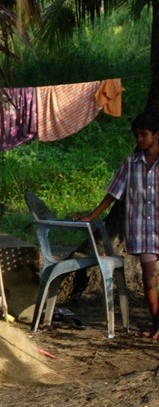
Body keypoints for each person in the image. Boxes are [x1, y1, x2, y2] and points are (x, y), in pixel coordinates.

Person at [77, 110, 159, 338]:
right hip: (143, 232)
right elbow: (113, 194)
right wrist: (92, 216)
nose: (139, 139)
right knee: (149, 280)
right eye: (136, 135)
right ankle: (155, 324)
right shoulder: (131, 164)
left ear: (157, 135)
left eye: (144, 134)